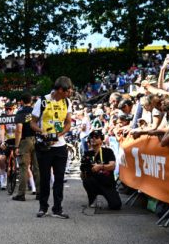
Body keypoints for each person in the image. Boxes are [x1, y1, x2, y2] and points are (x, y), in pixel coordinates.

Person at [31, 76, 73, 218]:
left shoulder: (67, 101)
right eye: (68, 91)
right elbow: (33, 123)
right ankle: (43, 207)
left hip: (60, 146)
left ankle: (58, 208)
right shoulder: (42, 101)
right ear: (60, 90)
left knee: (59, 178)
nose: (70, 93)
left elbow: (68, 122)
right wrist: (41, 132)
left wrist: (60, 133)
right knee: (45, 177)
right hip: (45, 146)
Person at [80, 130, 121, 210]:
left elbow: (112, 166)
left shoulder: (108, 151)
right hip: (94, 182)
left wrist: (100, 167)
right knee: (86, 180)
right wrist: (84, 172)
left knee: (116, 206)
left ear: (101, 140)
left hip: (107, 183)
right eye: (91, 137)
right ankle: (93, 199)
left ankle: (111, 195)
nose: (93, 139)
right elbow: (83, 172)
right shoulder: (87, 154)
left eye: (96, 137)